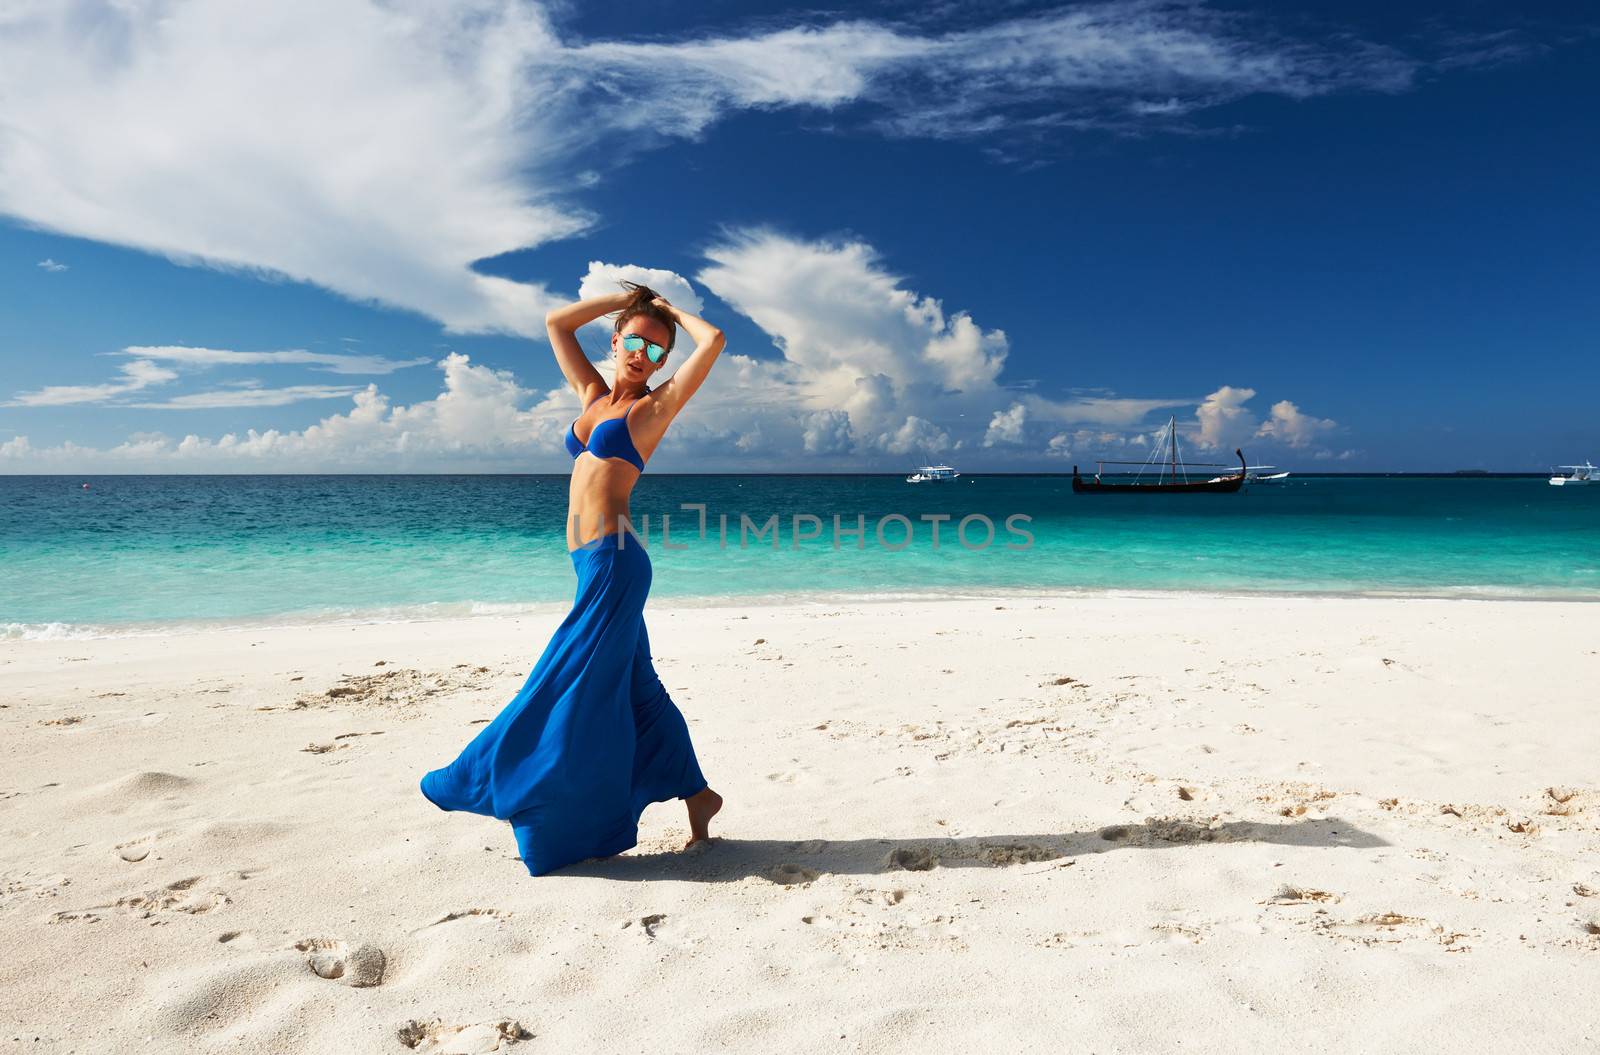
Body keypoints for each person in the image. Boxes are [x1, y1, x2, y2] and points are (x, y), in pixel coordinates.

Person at [420, 281, 726, 876]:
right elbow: (558, 323)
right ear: (617, 340)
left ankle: (487, 782)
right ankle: (700, 798)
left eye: (659, 351)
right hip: (589, 561)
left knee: (560, 682)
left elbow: (712, 340)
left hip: (614, 563)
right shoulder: (592, 395)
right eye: (636, 343)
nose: (645, 357)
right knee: (640, 693)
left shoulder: (653, 407)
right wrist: (631, 307)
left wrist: (666, 314)